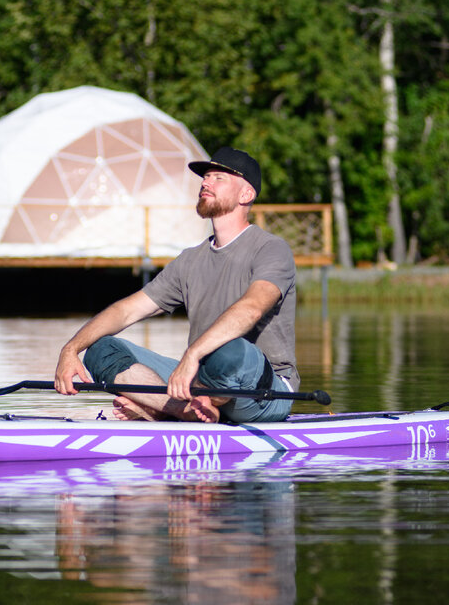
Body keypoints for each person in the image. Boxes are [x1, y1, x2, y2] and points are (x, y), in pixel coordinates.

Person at [54, 147, 297, 423]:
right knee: (100, 349)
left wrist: (193, 354)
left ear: (246, 195)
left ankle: (161, 408)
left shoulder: (272, 249)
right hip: (199, 381)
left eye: (218, 178)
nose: (205, 183)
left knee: (232, 352)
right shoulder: (190, 260)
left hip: (264, 391)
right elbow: (126, 312)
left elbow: (252, 309)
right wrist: (71, 348)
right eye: (205, 178)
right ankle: (182, 411)